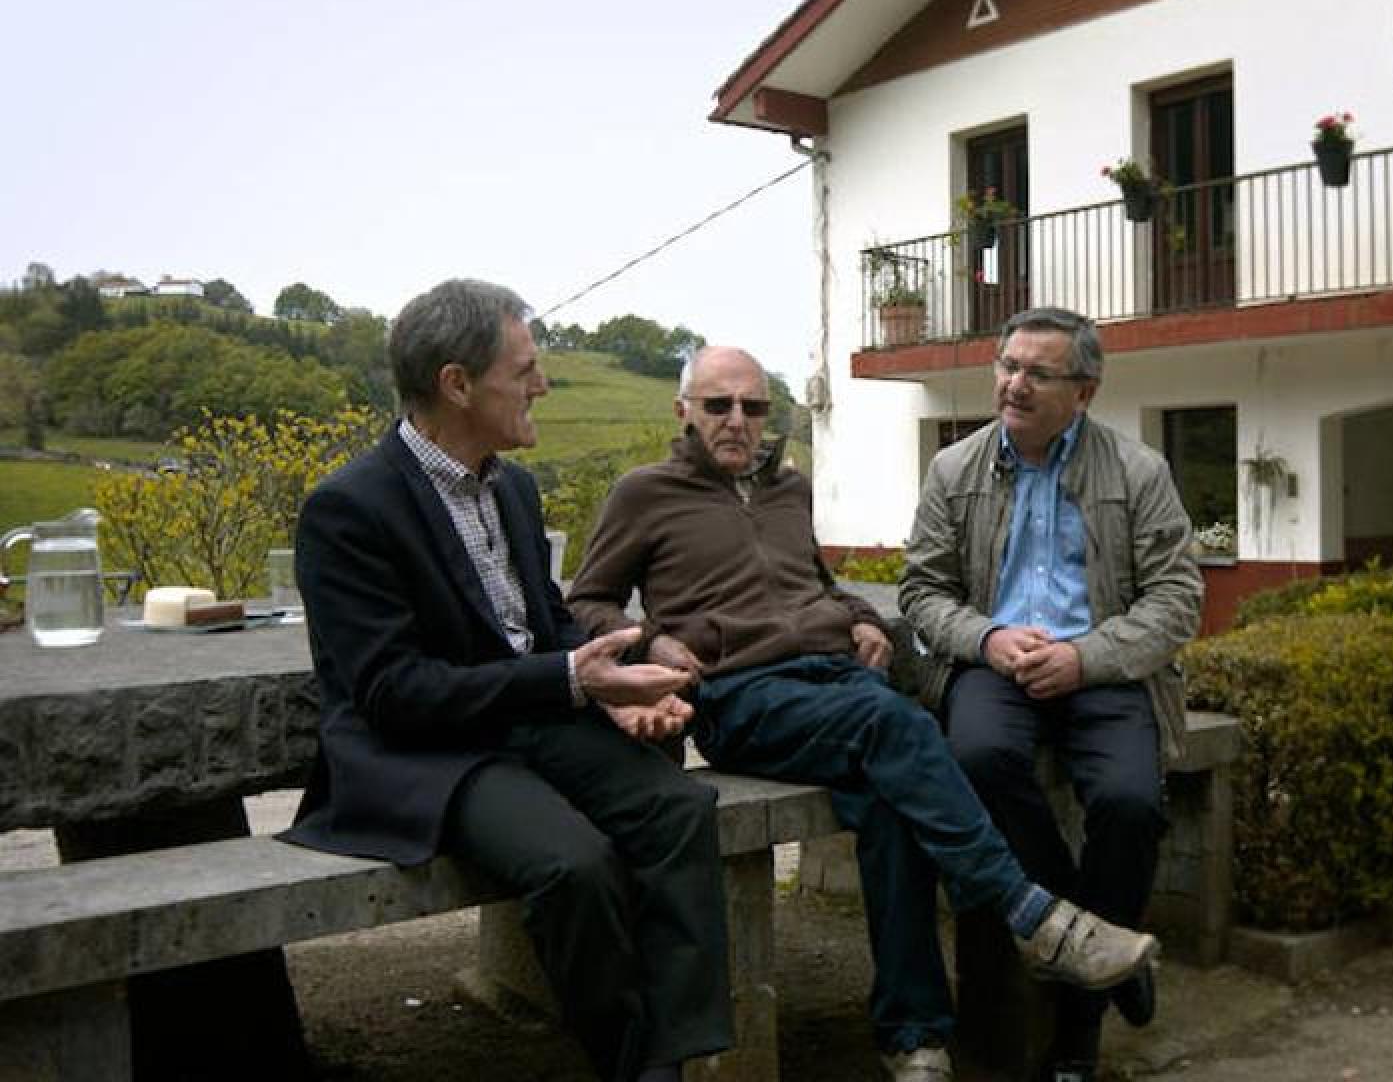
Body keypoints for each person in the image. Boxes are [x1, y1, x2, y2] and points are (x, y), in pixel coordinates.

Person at [567, 344, 1159, 1082]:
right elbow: (586, 601)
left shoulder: (789, 489)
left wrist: (857, 616)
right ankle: (1034, 918)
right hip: (739, 696)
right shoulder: (643, 493)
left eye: (753, 407)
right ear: (682, 410)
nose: (738, 422)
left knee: (892, 810)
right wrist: (653, 638)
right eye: (718, 406)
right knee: (904, 727)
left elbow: (810, 580)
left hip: (834, 680)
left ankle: (914, 1038)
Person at [282, 279, 733, 1082]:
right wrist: (569, 680)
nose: (543, 383)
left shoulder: (514, 487)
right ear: (457, 384)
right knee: (576, 865)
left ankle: (679, 1053)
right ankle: (635, 1067)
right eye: (525, 367)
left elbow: (547, 625)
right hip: (424, 752)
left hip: (528, 726)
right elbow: (392, 692)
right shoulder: (348, 509)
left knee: (681, 810)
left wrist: (618, 693)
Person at [899, 306, 1203, 1082]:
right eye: (1007, 366)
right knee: (976, 755)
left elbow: (1176, 600)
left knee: (1131, 802)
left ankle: (1077, 1032)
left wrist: (1085, 656)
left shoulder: (1138, 472)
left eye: (1039, 372)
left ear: (1085, 390)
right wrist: (988, 640)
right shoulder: (953, 469)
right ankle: (1094, 937)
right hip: (995, 668)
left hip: (1101, 669)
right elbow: (923, 592)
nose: (1014, 384)